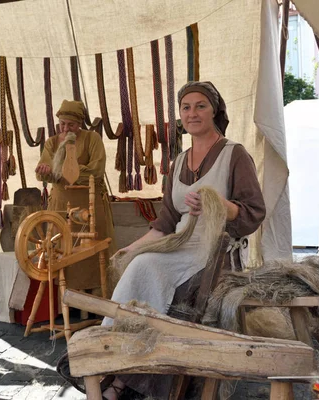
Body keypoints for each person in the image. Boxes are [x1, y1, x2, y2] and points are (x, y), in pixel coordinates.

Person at [101, 81, 266, 399]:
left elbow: (254, 212)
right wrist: (131, 248)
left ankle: (128, 374)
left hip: (215, 252)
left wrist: (220, 205)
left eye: (200, 105)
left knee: (148, 268)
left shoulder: (234, 155)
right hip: (179, 247)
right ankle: (118, 362)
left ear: (214, 110)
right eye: (186, 107)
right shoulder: (177, 163)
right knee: (140, 262)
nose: (193, 113)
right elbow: (165, 224)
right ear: (180, 114)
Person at [35, 99, 116, 292]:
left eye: (70, 124)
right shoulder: (52, 142)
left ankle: (96, 295)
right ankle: (66, 297)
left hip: (89, 206)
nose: (65, 128)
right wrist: (45, 170)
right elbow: (43, 172)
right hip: (61, 205)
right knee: (63, 249)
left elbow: (96, 170)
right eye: (62, 124)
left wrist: (66, 170)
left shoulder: (92, 139)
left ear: (79, 123)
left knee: (91, 251)